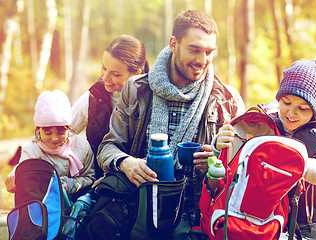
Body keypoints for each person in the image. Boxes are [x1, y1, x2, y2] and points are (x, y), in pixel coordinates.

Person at [97, 9, 245, 239]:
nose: (202, 60)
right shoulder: (136, 89)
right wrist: (126, 163)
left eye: (209, 52)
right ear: (173, 44)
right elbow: (107, 148)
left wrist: (217, 165)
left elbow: (242, 175)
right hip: (139, 211)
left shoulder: (228, 100)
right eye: (194, 49)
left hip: (197, 219)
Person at [215, 60, 316, 240]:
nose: (290, 112)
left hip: (308, 224)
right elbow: (235, 160)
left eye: (302, 108)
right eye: (286, 102)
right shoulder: (266, 120)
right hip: (264, 216)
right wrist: (219, 145)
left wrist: (300, 166)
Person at [71, 34, 149, 179]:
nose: (105, 78)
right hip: (97, 182)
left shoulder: (151, 101)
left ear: (136, 74)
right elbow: (60, 130)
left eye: (115, 74)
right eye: (104, 68)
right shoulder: (93, 97)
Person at [5, 89, 95, 199]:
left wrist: (70, 184)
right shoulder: (32, 150)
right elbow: (24, 176)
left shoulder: (81, 147)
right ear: (38, 129)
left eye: (61, 132)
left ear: (69, 128)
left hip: (72, 207)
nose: (54, 138)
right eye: (47, 133)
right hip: (40, 207)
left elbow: (90, 178)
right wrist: (15, 179)